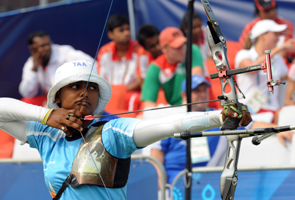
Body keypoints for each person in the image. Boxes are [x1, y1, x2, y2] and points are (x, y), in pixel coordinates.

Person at [0, 60, 251, 199]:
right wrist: (46, 116)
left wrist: (219, 116)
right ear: (58, 97)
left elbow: (169, 125)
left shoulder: (112, 132)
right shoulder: (46, 136)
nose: (85, 92)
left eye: (91, 87)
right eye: (75, 86)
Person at [235, 19, 295, 117]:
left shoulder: (277, 58)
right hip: (248, 113)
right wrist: (280, 48)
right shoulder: (243, 54)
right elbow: (252, 68)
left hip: (274, 112)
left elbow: (289, 77)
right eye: (275, 35)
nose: (278, 39)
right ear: (262, 35)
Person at [19, 31, 94, 103]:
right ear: (32, 48)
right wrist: (34, 68)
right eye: (42, 46)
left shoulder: (63, 52)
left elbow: (91, 63)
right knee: (26, 102)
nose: (47, 48)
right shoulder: (31, 63)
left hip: (71, 96)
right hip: (51, 100)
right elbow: (27, 94)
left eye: (48, 44)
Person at [141, 27, 204, 109]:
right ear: (164, 49)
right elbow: (148, 104)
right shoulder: (155, 67)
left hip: (200, 105)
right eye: (177, 47)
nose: (182, 49)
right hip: (177, 112)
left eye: (183, 44)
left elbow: (195, 85)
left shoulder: (192, 50)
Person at [96, 14, 145, 111]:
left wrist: (120, 91)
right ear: (110, 34)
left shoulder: (140, 50)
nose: (126, 33)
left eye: (128, 29)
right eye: (121, 30)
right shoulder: (104, 52)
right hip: (109, 95)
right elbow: (100, 79)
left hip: (131, 94)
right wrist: (114, 93)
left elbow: (141, 81)